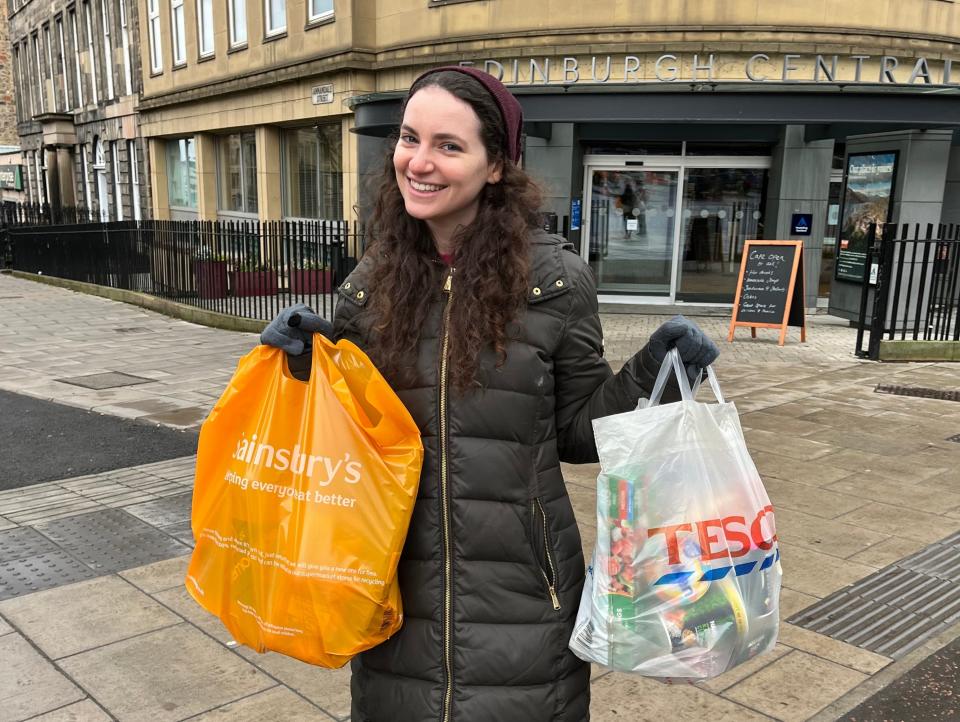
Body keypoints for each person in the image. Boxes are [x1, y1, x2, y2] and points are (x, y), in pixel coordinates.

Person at [260, 66, 719, 722]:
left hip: (528, 598)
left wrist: (657, 374)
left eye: (449, 146)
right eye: (410, 138)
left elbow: (579, 433)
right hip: (395, 594)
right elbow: (347, 447)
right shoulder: (370, 287)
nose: (419, 162)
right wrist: (305, 369)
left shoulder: (553, 282)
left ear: (497, 165)